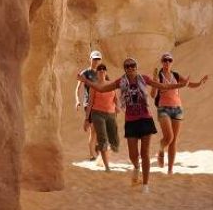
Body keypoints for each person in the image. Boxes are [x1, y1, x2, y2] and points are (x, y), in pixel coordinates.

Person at [78, 57, 188, 193]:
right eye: (127, 66)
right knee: (133, 155)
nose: (130, 68)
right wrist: (86, 81)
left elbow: (163, 86)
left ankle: (145, 185)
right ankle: (136, 167)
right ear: (125, 69)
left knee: (145, 153)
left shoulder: (144, 79)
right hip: (131, 121)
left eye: (132, 65)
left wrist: (180, 85)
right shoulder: (121, 81)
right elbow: (102, 88)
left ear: (136, 66)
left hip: (146, 119)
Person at [151, 51, 208, 174]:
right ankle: (161, 149)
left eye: (169, 60)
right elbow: (152, 95)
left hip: (177, 109)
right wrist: (155, 81)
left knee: (174, 140)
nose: (167, 62)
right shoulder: (159, 75)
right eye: (165, 60)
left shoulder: (175, 75)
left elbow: (188, 84)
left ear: (172, 62)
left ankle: (170, 170)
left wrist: (200, 83)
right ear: (162, 62)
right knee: (169, 137)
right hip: (163, 108)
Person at [83, 64, 119, 171]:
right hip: (97, 114)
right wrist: (86, 119)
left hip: (111, 114)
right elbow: (90, 103)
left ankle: (101, 159)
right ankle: (107, 167)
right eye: (99, 70)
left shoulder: (112, 84)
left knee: (114, 141)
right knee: (102, 138)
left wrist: (118, 107)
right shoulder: (94, 86)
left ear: (106, 72)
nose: (102, 71)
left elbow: (116, 99)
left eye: (104, 69)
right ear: (97, 73)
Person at [75, 50, 103, 160]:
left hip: (100, 104)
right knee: (93, 129)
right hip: (89, 104)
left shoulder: (102, 72)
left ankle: (95, 146)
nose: (96, 61)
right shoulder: (85, 73)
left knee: (98, 129)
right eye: (94, 58)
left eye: (98, 59)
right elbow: (77, 89)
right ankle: (92, 154)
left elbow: (107, 87)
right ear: (90, 59)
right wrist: (77, 100)